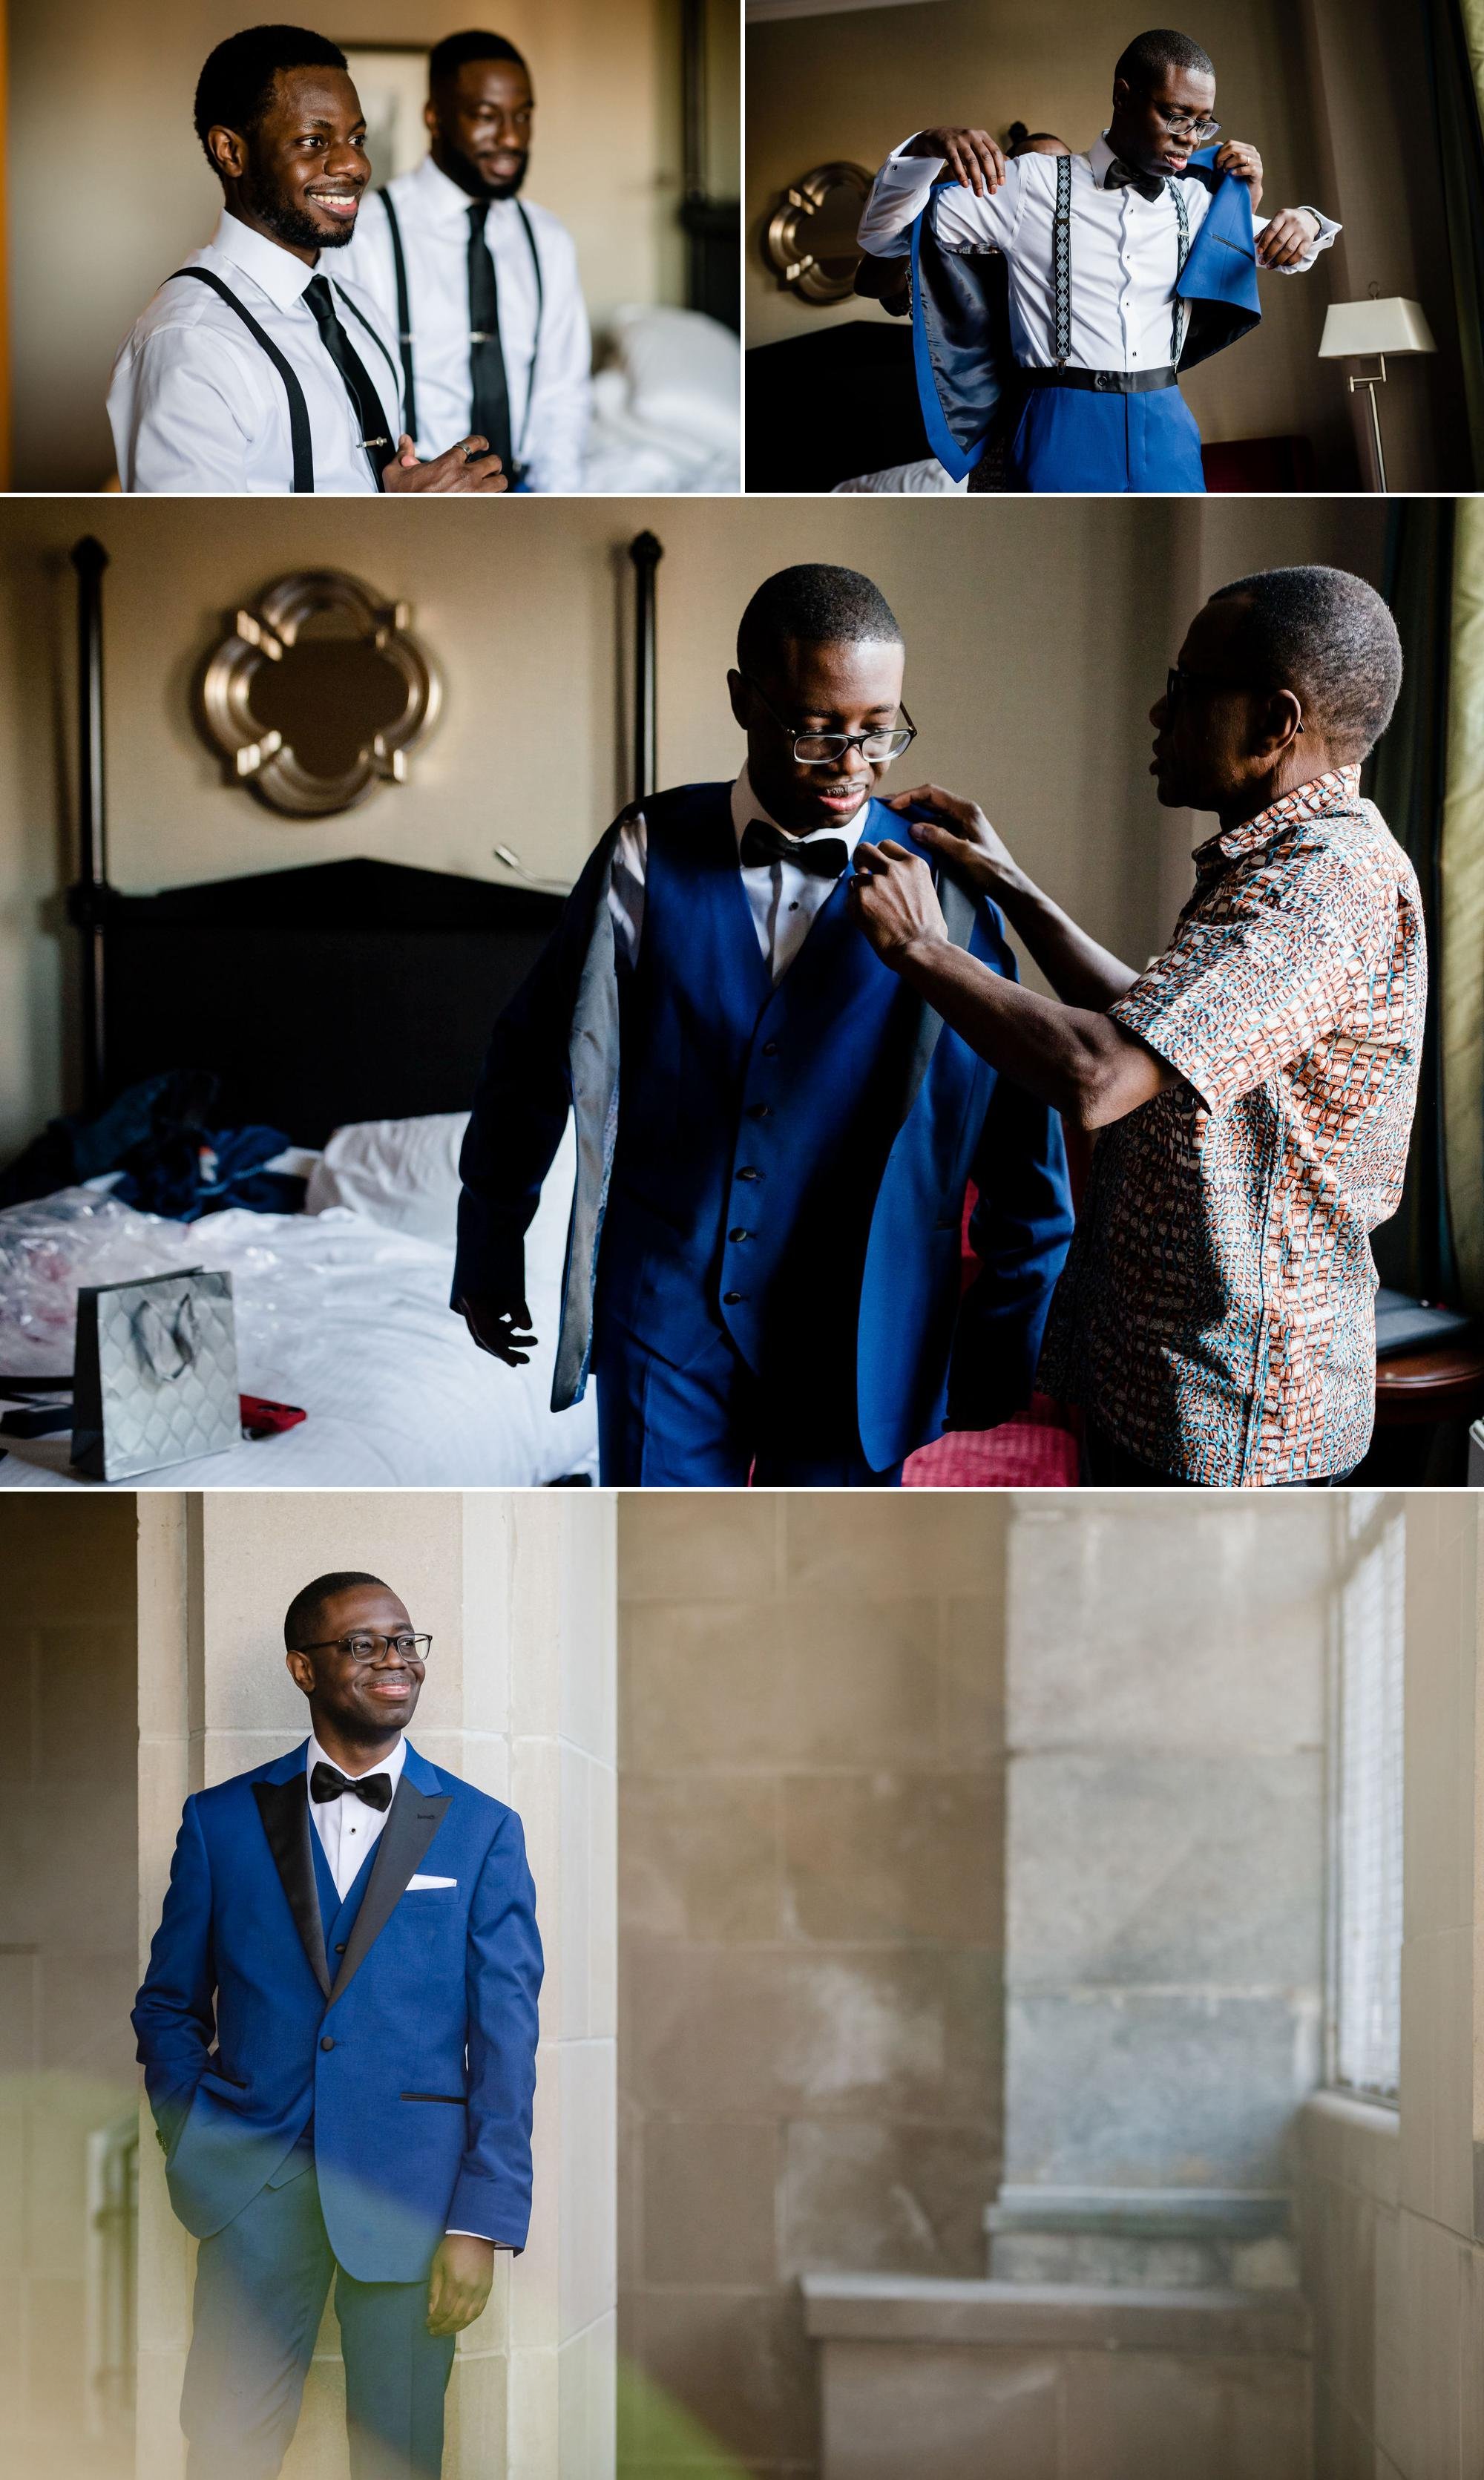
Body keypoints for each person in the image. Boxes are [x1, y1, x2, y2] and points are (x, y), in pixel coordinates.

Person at [451, 563, 1074, 1487]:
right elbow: (534, 1057)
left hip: (861, 1327)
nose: (853, 768)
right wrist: (491, 1242)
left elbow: (1020, 1127)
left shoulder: (945, 886)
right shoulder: (644, 850)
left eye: (877, 733)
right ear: (745, 702)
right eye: (818, 731)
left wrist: (1001, 1342)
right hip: (661, 1308)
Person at [847, 566, 1425, 1488]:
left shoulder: (1322, 887)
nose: (1158, 717)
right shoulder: (1275, 859)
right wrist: (1013, 888)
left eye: (1184, 690)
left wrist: (920, 947)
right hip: (1167, 1390)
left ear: (1276, 722)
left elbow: (1100, 1076)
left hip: (1231, 1425)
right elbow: (1159, 1037)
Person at [134, 1571, 542, 2477]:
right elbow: (166, 2004)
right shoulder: (219, 1823)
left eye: (405, 1640)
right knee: (227, 2446)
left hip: (413, 2197)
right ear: (302, 1668)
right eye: (363, 1644)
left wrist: (480, 2219)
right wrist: (192, 2126)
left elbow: (508, 2044)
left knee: (398, 2454)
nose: (394, 1658)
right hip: (252, 2189)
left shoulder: (481, 1831)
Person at [858, 27, 1339, 493]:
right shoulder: (1029, 184)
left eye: (1203, 123)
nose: (1190, 138)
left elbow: (1287, 252)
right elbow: (884, 238)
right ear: (1124, 95)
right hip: (1059, 417)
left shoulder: (1194, 202)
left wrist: (1310, 222)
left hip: (1167, 424)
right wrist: (923, 148)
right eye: (1176, 117)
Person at [108, 26, 508, 493]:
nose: (355, 166)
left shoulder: (356, 308)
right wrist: (401, 514)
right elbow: (196, 553)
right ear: (231, 152)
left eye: (356, 139)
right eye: (313, 142)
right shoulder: (190, 342)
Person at [342, 29, 591, 492]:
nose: (512, 137)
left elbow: (563, 395)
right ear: (434, 117)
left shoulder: (548, 238)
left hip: (526, 490)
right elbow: (343, 405)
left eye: (522, 116)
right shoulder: (366, 235)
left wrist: (556, 499)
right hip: (414, 497)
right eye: (486, 116)